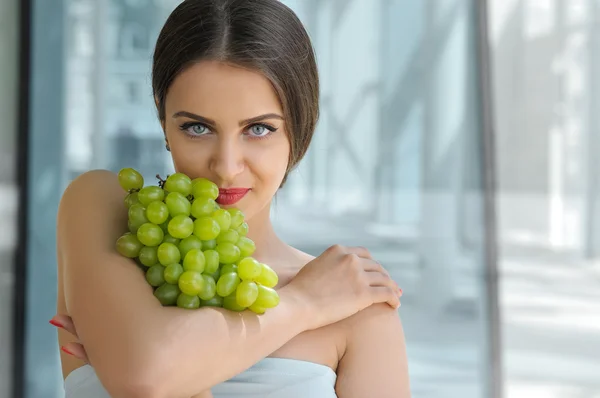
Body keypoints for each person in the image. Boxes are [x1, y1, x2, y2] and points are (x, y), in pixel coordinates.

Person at [51, 0, 410, 397]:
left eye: (258, 129)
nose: (225, 166)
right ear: (163, 121)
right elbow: (146, 377)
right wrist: (304, 303)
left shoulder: (358, 307)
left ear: (300, 128)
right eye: (197, 127)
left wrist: (170, 362)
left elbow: (149, 375)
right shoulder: (107, 209)